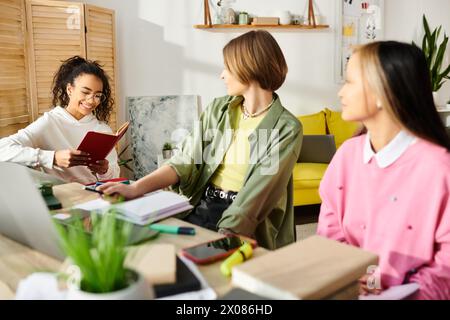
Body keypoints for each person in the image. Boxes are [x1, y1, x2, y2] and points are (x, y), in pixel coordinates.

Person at [99, 30, 303, 249]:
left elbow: (259, 191)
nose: (222, 75)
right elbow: (187, 160)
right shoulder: (220, 110)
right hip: (205, 204)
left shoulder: (283, 127)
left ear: (249, 66)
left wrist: (227, 232)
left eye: (227, 67)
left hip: (243, 221)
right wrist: (137, 188)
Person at [317, 41, 450, 299]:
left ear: (382, 92)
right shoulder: (347, 155)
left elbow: (446, 268)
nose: (341, 93)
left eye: (350, 82)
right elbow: (329, 235)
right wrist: (352, 280)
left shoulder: (439, 169)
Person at [0, 56, 120, 185]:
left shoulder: (102, 129)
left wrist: (104, 170)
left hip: (95, 194)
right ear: (70, 89)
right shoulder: (50, 122)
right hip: (62, 196)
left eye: (97, 95)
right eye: (85, 92)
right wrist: (52, 158)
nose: (91, 100)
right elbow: (2, 149)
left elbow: (115, 175)